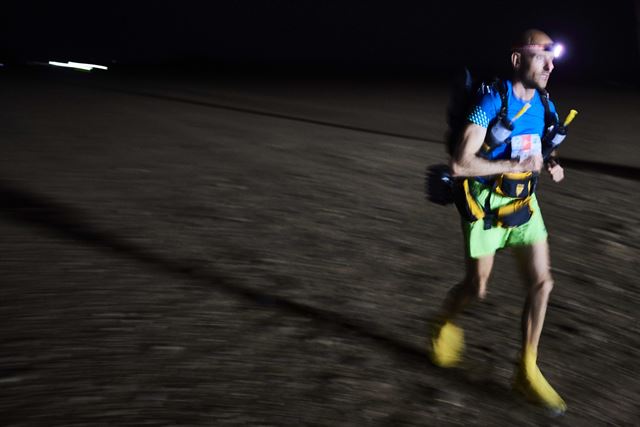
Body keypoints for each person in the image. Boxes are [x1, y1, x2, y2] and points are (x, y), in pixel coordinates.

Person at [429, 29, 568, 414]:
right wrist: (512, 164)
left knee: (543, 283)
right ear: (516, 59)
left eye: (553, 58)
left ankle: (525, 369)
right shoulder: (490, 100)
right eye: (542, 56)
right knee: (478, 288)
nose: (550, 65)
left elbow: (541, 147)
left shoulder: (544, 103)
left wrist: (551, 164)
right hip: (485, 205)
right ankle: (443, 321)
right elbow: (460, 164)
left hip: (525, 203)